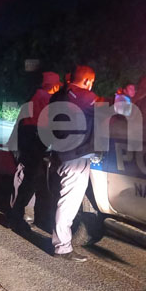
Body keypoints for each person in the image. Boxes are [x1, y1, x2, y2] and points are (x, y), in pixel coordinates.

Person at [45, 65, 100, 262]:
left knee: (62, 199)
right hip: (76, 157)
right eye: (91, 82)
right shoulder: (86, 97)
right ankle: (62, 247)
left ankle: (61, 242)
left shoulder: (57, 97)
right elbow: (110, 112)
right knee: (68, 203)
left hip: (59, 153)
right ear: (87, 81)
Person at [8, 71, 62, 233]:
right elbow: (44, 125)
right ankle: (15, 217)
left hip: (25, 143)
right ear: (53, 85)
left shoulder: (35, 96)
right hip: (31, 144)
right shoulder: (44, 99)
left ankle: (17, 215)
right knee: (27, 181)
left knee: (26, 179)